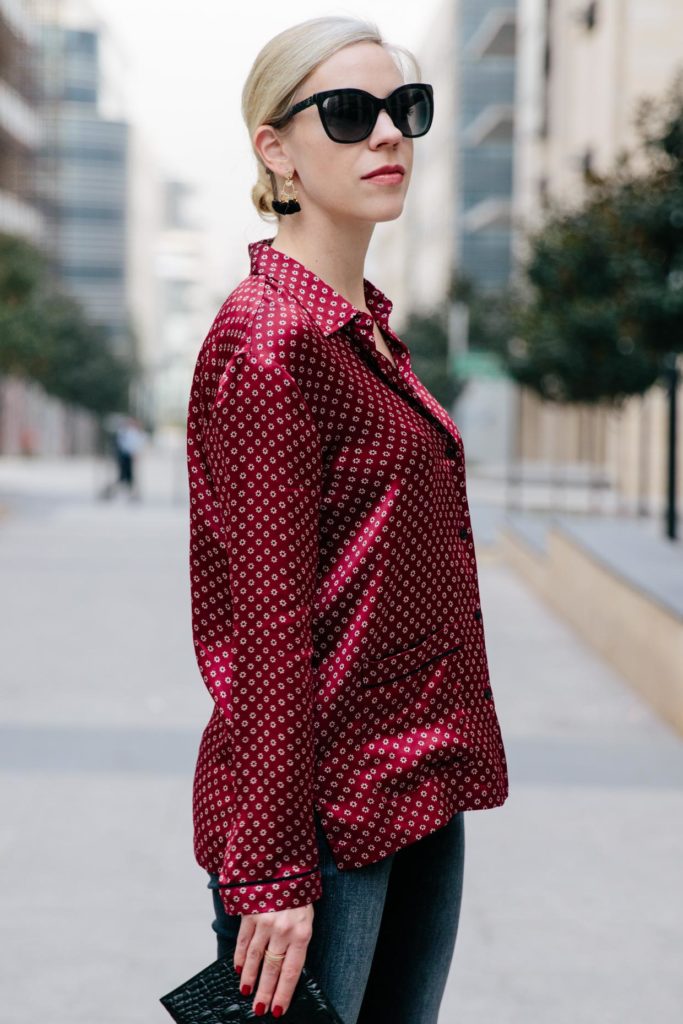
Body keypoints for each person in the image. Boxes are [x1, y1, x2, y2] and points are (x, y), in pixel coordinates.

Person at [185, 15, 509, 1024]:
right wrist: (272, 870)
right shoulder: (268, 345)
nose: (386, 135)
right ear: (273, 148)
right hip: (320, 818)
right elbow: (267, 628)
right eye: (348, 111)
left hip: (416, 784)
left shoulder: (358, 330)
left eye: (403, 109)